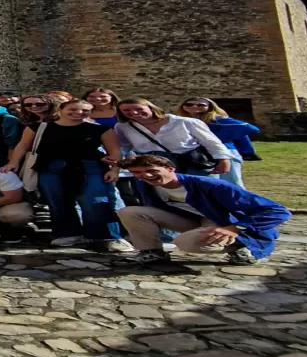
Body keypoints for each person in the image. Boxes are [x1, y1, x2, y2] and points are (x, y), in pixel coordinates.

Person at [119, 154, 291, 272]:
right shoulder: (146, 185)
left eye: (153, 171)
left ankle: (243, 246)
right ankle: (152, 252)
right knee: (130, 212)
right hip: (195, 220)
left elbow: (277, 211)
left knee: (185, 243)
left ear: (170, 169)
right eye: (138, 173)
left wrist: (236, 227)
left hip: (224, 222)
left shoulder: (210, 185)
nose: (146, 176)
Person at [4, 99, 131, 251]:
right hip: (50, 167)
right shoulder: (38, 127)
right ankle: (67, 234)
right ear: (61, 109)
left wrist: (114, 170)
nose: (78, 113)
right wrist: (14, 162)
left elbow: (114, 152)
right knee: (58, 202)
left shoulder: (100, 129)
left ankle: (106, 236)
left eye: (85, 111)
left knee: (95, 201)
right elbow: (23, 146)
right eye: (73, 109)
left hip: (89, 167)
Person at [115, 98, 231, 176]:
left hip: (192, 161)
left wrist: (223, 160)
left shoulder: (185, 122)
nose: (134, 113)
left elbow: (210, 142)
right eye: (127, 110)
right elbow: (124, 147)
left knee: (204, 193)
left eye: (139, 109)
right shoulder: (123, 127)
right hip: (154, 165)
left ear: (150, 108)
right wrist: (120, 159)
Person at [178, 98, 261, 188]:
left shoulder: (217, 119)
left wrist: (218, 137)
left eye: (200, 105)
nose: (194, 106)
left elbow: (250, 128)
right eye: (189, 104)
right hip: (199, 155)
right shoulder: (182, 120)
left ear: (209, 107)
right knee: (208, 184)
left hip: (226, 152)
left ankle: (240, 202)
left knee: (232, 184)